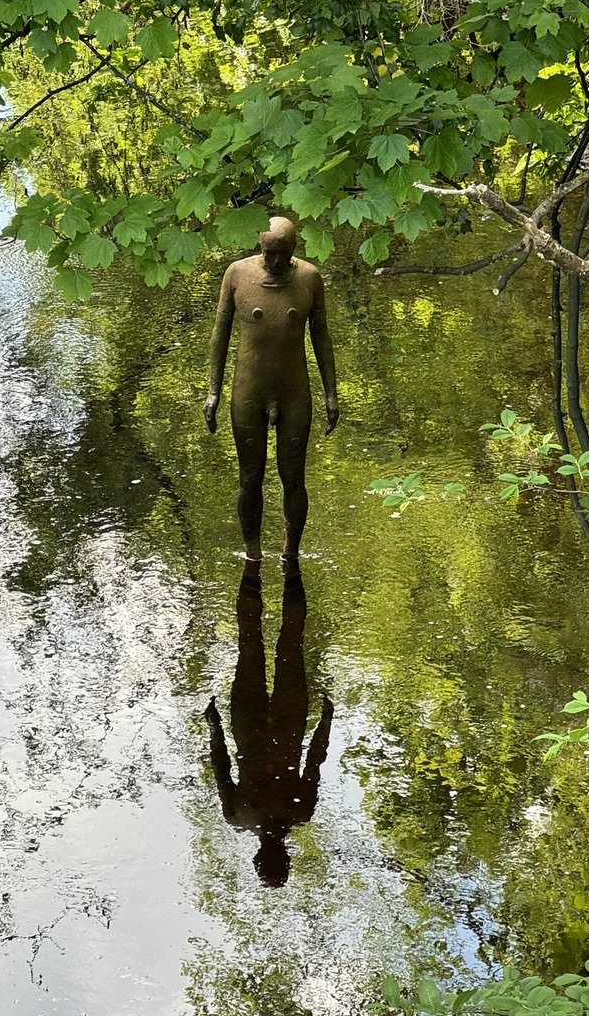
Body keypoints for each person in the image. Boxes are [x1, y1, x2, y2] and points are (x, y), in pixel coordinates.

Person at [203, 216, 339, 561]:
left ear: (294, 250)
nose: (275, 262)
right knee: (249, 478)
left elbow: (321, 337)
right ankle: (253, 553)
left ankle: (291, 553)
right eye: (269, 254)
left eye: (282, 254)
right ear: (259, 248)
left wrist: (331, 393)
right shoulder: (236, 274)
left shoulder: (309, 278)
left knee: (294, 478)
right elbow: (219, 333)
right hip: (249, 390)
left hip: (294, 391)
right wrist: (213, 391)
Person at [205, 562, 334, 887]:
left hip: (251, 725)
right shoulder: (298, 811)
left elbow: (221, 767)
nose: (274, 853)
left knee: (255, 643)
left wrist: (215, 726)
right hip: (286, 723)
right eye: (278, 860)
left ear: (260, 857)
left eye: (270, 860)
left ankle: (256, 566)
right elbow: (315, 761)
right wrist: (325, 722)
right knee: (284, 643)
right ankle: (287, 568)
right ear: (285, 857)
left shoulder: (239, 815)